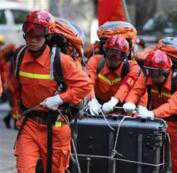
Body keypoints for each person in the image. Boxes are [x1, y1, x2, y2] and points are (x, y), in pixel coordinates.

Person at [14, 10, 92, 173]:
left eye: (38, 36)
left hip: (57, 126)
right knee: (24, 169)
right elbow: (14, 87)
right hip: (30, 125)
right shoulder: (20, 57)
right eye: (29, 35)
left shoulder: (60, 60)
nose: (32, 39)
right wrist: (17, 113)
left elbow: (84, 86)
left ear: (47, 36)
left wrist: (60, 99)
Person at [126, 49, 177, 172]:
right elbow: (136, 90)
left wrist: (152, 113)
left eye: (156, 73)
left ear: (166, 71)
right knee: (152, 160)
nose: (152, 76)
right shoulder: (148, 77)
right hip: (156, 123)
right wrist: (130, 102)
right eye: (150, 72)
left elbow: (173, 105)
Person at [87, 35, 143, 115]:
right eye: (110, 54)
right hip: (97, 106)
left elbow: (126, 86)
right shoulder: (95, 61)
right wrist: (92, 100)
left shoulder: (132, 67)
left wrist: (113, 102)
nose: (112, 59)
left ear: (123, 57)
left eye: (117, 55)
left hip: (122, 109)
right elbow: (89, 82)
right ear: (105, 52)